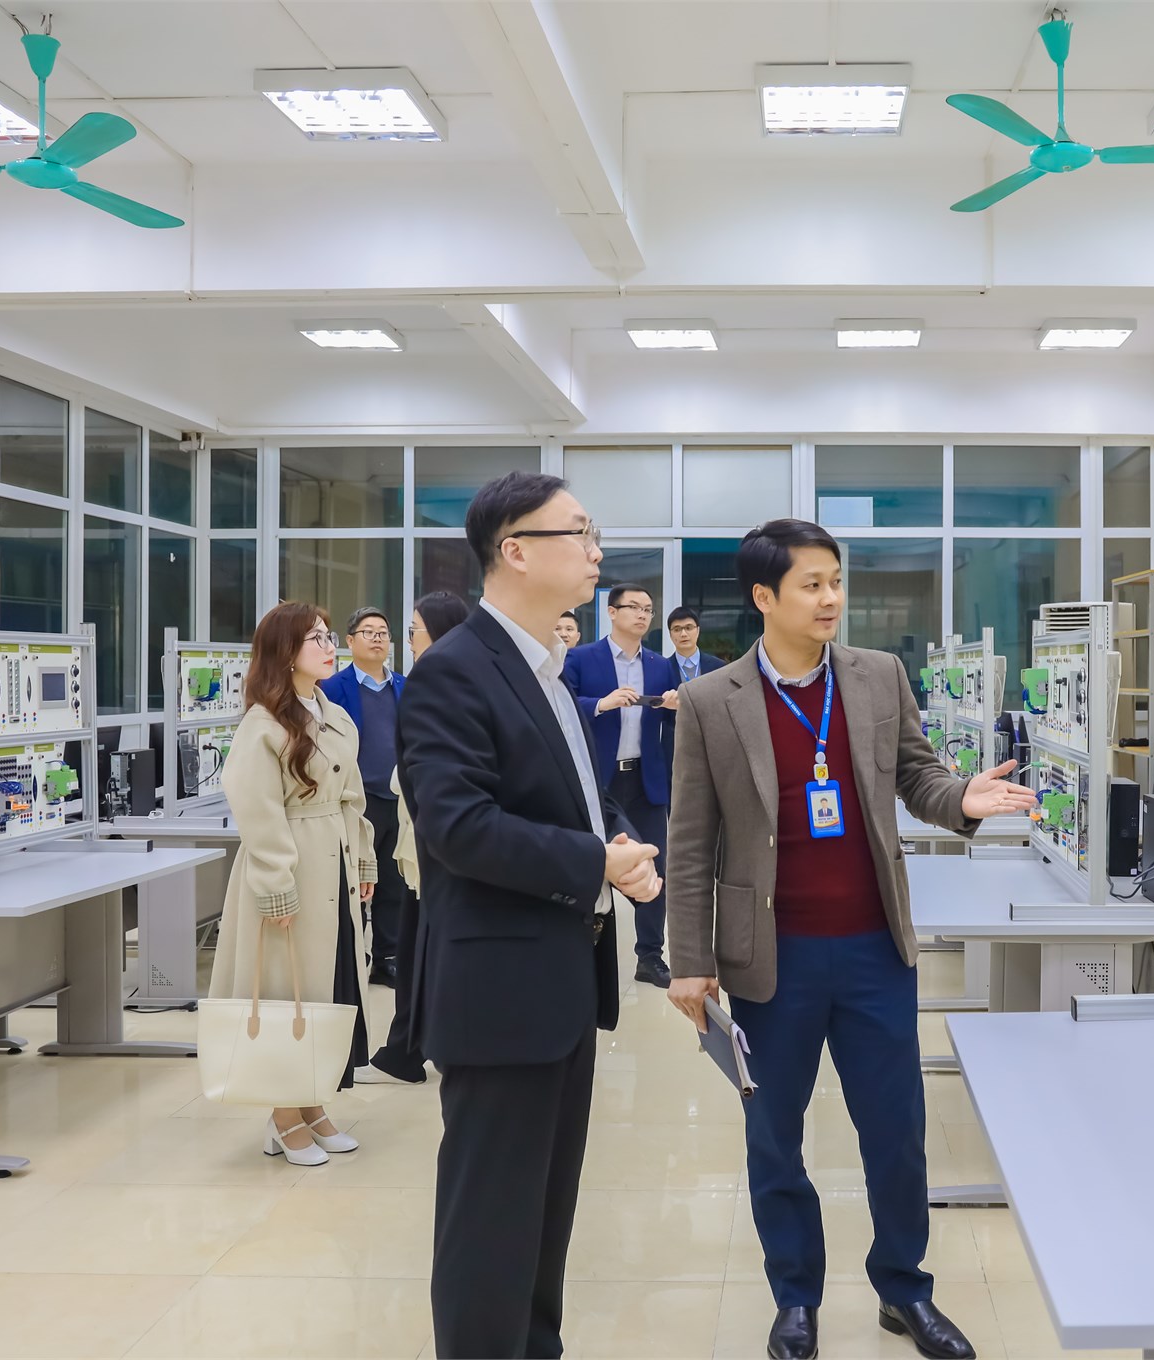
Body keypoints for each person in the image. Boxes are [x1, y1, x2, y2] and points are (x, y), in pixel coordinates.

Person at [665, 519, 1035, 1360]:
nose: (831, 598)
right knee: (775, 1136)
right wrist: (690, 960)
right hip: (770, 959)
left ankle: (904, 1290)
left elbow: (916, 774)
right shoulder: (711, 701)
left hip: (873, 949)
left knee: (895, 1131)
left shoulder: (876, 676)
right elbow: (689, 841)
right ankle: (795, 1298)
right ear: (764, 597)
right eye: (812, 584)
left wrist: (961, 798)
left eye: (836, 581)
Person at [398, 471, 662, 1360]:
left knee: (544, 1214)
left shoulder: (544, 668)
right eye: (577, 533)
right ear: (514, 551)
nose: (596, 552)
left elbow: (575, 798)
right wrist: (593, 864)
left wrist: (618, 847)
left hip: (558, 984)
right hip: (498, 993)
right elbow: (458, 827)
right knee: (491, 1222)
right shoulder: (455, 671)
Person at [208, 602, 378, 1167]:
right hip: (289, 867)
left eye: (329, 637)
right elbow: (257, 811)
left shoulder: (334, 715)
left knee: (322, 989)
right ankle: (284, 1116)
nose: (330, 647)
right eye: (316, 639)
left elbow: (353, 798)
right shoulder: (263, 725)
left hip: (334, 862)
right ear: (284, 652)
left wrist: (364, 862)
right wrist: (276, 884)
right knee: (285, 992)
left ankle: (311, 1103)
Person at [355, 590, 472, 1087]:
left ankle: (411, 1049)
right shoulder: (450, 677)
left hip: (430, 841)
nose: (406, 640)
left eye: (412, 630)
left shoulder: (435, 680)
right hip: (419, 838)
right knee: (422, 945)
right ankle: (422, 1045)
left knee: (425, 949)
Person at [562, 583, 681, 988]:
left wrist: (675, 705)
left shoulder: (660, 665)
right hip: (597, 781)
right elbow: (561, 707)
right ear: (611, 612)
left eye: (648, 609)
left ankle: (650, 956)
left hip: (645, 781)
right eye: (634, 607)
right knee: (588, 864)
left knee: (654, 868)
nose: (643, 615)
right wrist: (602, 703)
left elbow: (673, 720)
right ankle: (580, 950)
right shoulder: (581, 657)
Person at [318, 606, 410, 986]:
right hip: (356, 801)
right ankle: (355, 955)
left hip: (397, 800)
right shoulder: (331, 688)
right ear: (350, 641)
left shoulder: (404, 686)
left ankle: (387, 957)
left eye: (383, 633)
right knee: (354, 883)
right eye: (368, 632)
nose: (377, 638)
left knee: (394, 883)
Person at [666, 605, 725, 686]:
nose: (683, 634)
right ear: (670, 634)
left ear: (698, 631)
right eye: (677, 629)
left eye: (688, 628)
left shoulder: (718, 666)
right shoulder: (663, 668)